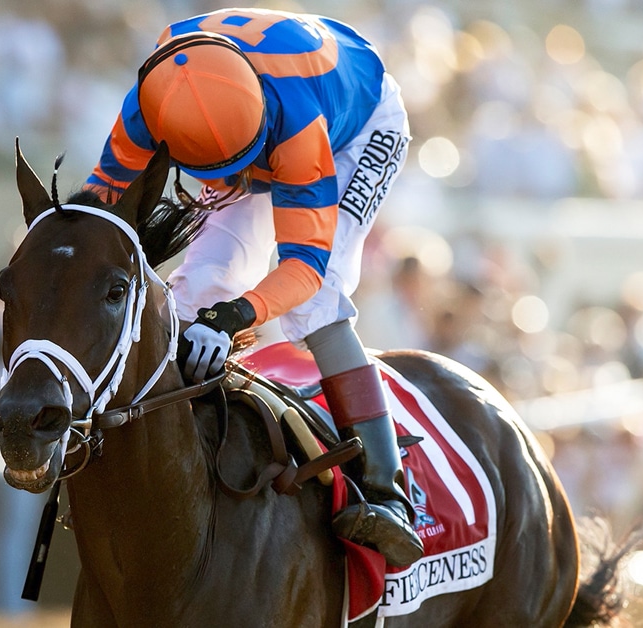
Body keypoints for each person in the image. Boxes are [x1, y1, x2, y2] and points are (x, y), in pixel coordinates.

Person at [81, 8, 422, 567]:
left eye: (247, 162)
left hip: (354, 128)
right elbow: (100, 199)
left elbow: (305, 269)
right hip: (253, 96)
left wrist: (237, 316)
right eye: (225, 170)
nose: (243, 179)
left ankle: (387, 491)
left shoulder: (296, 125)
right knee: (195, 290)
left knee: (318, 304)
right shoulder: (151, 102)